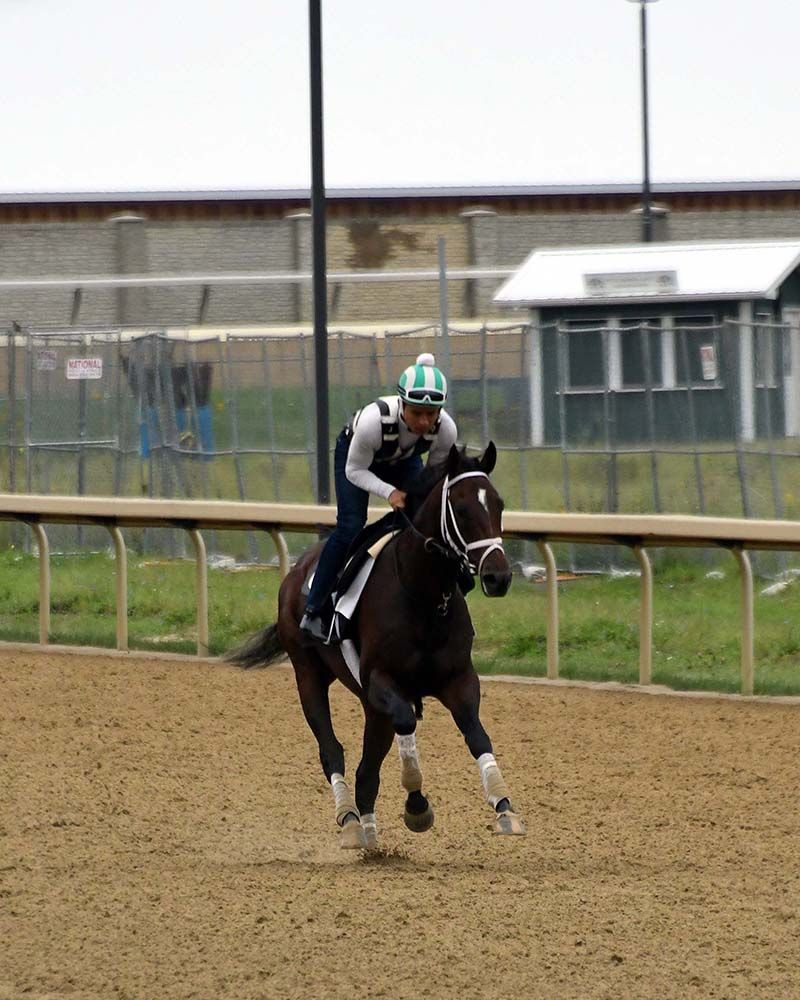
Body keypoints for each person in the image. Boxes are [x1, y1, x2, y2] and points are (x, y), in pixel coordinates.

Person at [300, 352, 458, 642]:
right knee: (350, 526)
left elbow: (432, 479)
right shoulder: (373, 422)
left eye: (431, 414)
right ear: (402, 405)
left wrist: (415, 500)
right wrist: (390, 492)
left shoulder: (446, 430)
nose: (425, 422)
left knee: (421, 519)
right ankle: (314, 608)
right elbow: (355, 470)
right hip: (357, 457)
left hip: (403, 458)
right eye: (416, 413)